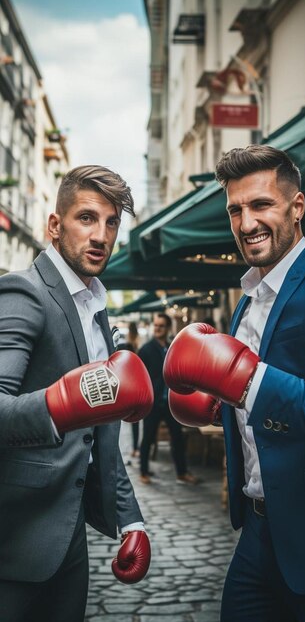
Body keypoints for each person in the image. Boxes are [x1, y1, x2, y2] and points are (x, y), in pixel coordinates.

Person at [163, 145, 305, 622]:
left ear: (297, 206)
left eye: (261, 205)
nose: (247, 223)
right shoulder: (247, 301)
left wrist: (246, 382)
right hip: (257, 532)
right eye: (235, 209)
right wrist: (214, 403)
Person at [0, 165, 153, 622]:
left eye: (111, 222)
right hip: (14, 540)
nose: (100, 235)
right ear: (54, 225)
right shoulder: (23, 293)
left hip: (69, 542)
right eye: (86, 218)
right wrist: (58, 404)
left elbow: (100, 435)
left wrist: (131, 519)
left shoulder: (96, 309)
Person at [139, 313, 197, 485]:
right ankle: (143, 472)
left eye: (161, 326)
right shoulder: (146, 349)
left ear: (168, 328)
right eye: (155, 325)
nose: (157, 329)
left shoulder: (173, 346)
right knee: (148, 438)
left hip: (172, 403)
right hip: (154, 403)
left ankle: (182, 472)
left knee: (177, 438)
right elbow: (140, 376)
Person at [117, 322, 141, 457]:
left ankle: (132, 448)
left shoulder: (127, 344)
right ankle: (135, 448)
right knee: (134, 420)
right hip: (132, 385)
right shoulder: (134, 344)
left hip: (126, 385)